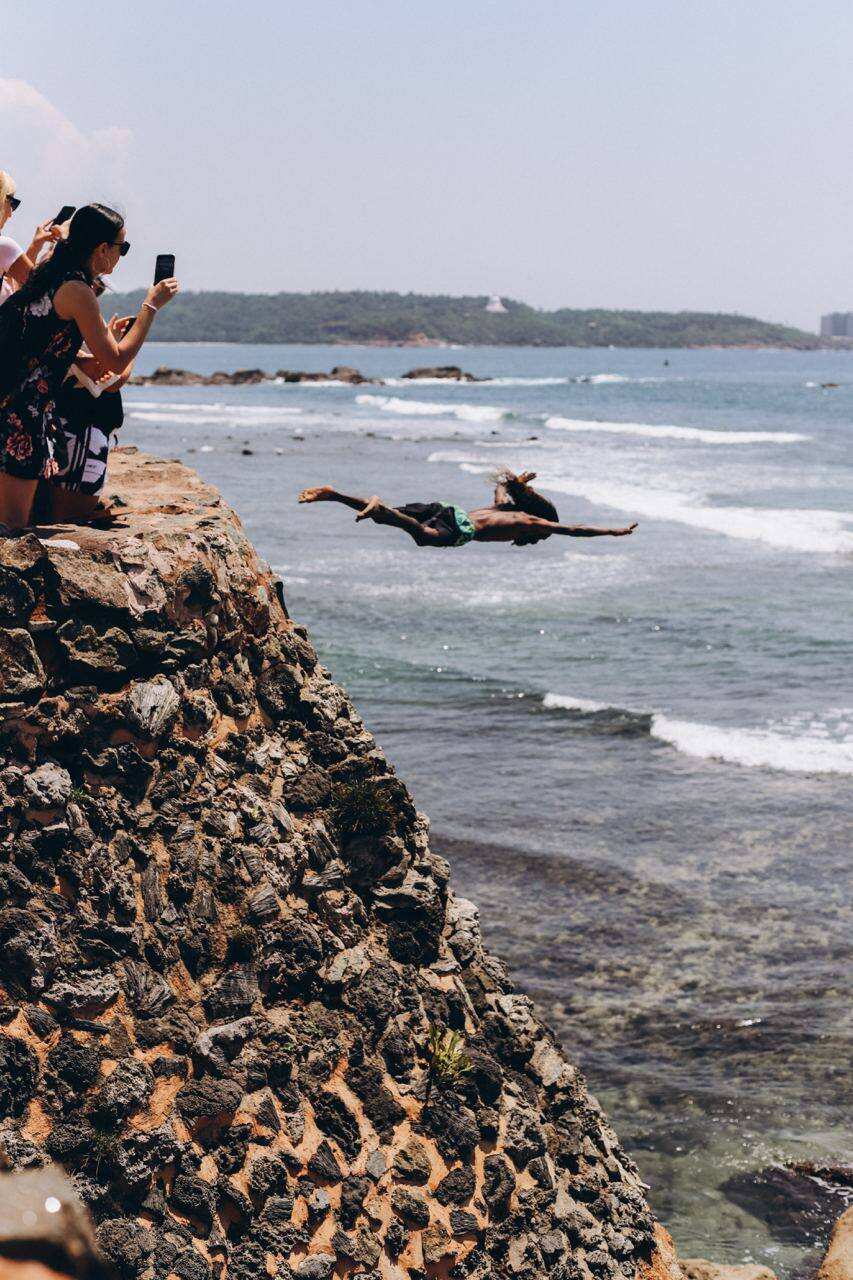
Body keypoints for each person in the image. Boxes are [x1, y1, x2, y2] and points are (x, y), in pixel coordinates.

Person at [0, 203, 178, 530]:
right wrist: (150, 306)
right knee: (12, 527)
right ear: (102, 249)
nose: (121, 255)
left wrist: (86, 354)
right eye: (122, 247)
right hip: (21, 414)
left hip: (11, 402)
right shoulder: (78, 290)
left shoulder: (51, 274)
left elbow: (43, 341)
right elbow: (116, 359)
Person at [298, 469, 638, 546]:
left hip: (448, 509)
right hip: (461, 529)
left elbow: (500, 487)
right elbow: (575, 530)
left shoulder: (503, 507)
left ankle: (335, 495)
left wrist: (517, 482)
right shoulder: (533, 523)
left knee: (393, 517)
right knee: (424, 536)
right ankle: (381, 510)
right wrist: (614, 531)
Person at [0, 170, 62, 304]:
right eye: (12, 202)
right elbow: (40, 290)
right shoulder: (3, 246)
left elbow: (19, 292)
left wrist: (35, 246)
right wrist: (65, 243)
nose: (10, 213)